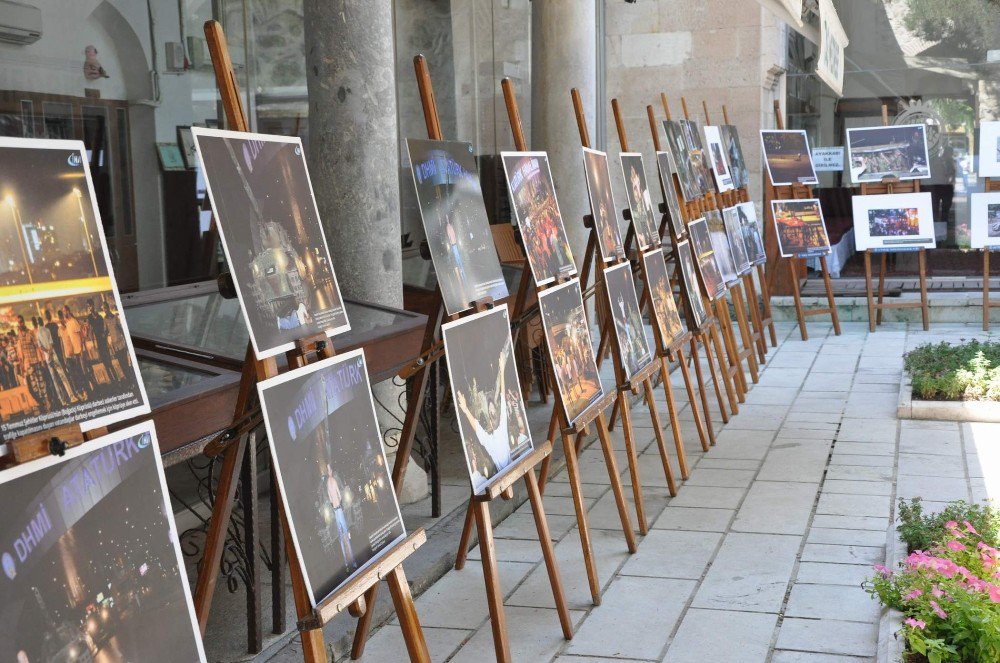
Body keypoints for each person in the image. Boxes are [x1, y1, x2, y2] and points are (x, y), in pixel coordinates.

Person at [454, 339, 517, 473]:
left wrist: (501, 368)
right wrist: (465, 409)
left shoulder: (501, 427)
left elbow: (502, 396)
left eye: (493, 413)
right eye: (491, 414)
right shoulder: (489, 439)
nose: (492, 417)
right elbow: (477, 426)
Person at [324, 469, 356, 570]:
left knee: (342, 536)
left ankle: (347, 563)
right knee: (344, 535)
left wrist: (334, 501)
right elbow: (338, 494)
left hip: (335, 510)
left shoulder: (328, 483)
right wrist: (338, 500)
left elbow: (330, 497)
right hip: (338, 510)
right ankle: (350, 562)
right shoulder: (333, 480)